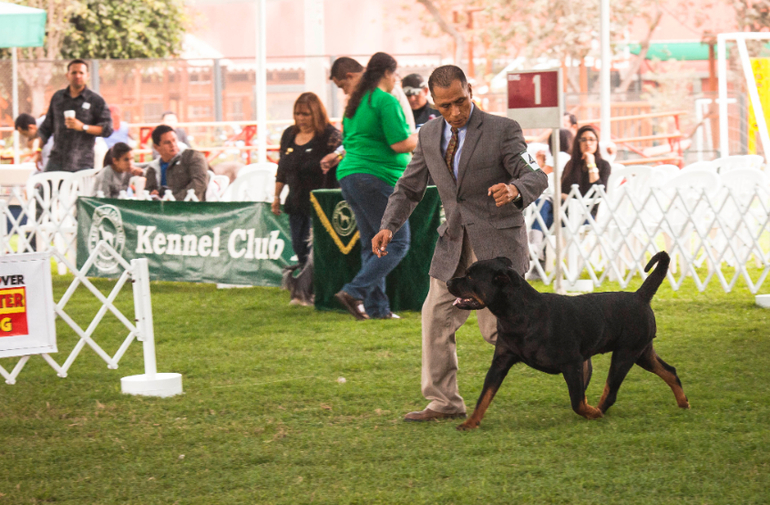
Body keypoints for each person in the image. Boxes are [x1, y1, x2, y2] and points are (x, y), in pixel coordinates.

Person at [371, 65, 548, 422]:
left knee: (500, 330)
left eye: (460, 101)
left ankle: (574, 350)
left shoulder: (503, 130)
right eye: (445, 105)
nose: (454, 112)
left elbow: (536, 175)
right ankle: (444, 401)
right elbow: (409, 187)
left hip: (496, 250)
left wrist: (515, 189)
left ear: (470, 90)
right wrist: (388, 224)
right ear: (433, 102)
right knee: (435, 317)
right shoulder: (429, 135)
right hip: (453, 245)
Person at [333, 52, 418, 321]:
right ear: (387, 74)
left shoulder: (355, 103)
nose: (396, 81)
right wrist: (425, 135)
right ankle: (354, 291)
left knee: (375, 245)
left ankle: (377, 309)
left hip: (350, 175)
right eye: (395, 75)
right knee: (398, 242)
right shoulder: (385, 101)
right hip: (376, 176)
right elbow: (400, 144)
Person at [272, 92, 342, 273]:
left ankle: (317, 286)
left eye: (306, 114)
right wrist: (276, 196)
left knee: (316, 249)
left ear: (316, 113)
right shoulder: (289, 134)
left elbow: (346, 153)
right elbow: (282, 168)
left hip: (321, 203)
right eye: (297, 114)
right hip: (295, 201)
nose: (300, 118)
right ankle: (306, 286)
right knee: (298, 246)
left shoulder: (330, 135)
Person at [321, 56, 415, 174]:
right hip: (375, 172)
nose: (344, 92)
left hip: (375, 172)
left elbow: (402, 139)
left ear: (350, 76)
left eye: (342, 86)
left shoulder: (385, 95)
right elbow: (361, 140)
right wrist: (339, 154)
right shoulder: (362, 100)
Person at [37, 59, 113, 172]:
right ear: (67, 75)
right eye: (73, 72)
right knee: (46, 189)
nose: (77, 76)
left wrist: (83, 127)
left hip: (82, 162)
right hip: (56, 160)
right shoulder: (58, 98)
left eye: (81, 73)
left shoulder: (95, 100)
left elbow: (107, 129)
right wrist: (38, 150)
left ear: (87, 75)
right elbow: (46, 127)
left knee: (79, 190)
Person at [527, 128, 573, 281]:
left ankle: (535, 249)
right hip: (560, 206)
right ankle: (537, 261)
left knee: (539, 205)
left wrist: (537, 163)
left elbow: (538, 177)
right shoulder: (568, 157)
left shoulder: (559, 157)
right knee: (543, 218)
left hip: (558, 202)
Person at [144, 125, 208, 201]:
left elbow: (200, 183)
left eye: (174, 140)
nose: (173, 145)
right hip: (161, 209)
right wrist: (152, 194)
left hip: (190, 208)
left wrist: (173, 199)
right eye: (167, 142)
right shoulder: (153, 168)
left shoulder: (192, 157)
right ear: (156, 147)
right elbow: (148, 191)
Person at [561, 125, 611, 205]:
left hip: (592, 211)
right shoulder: (571, 164)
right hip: (570, 209)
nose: (588, 143)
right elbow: (563, 191)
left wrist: (591, 164)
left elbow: (599, 193)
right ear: (578, 143)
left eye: (591, 139)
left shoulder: (604, 165)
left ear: (596, 142)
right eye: (583, 140)